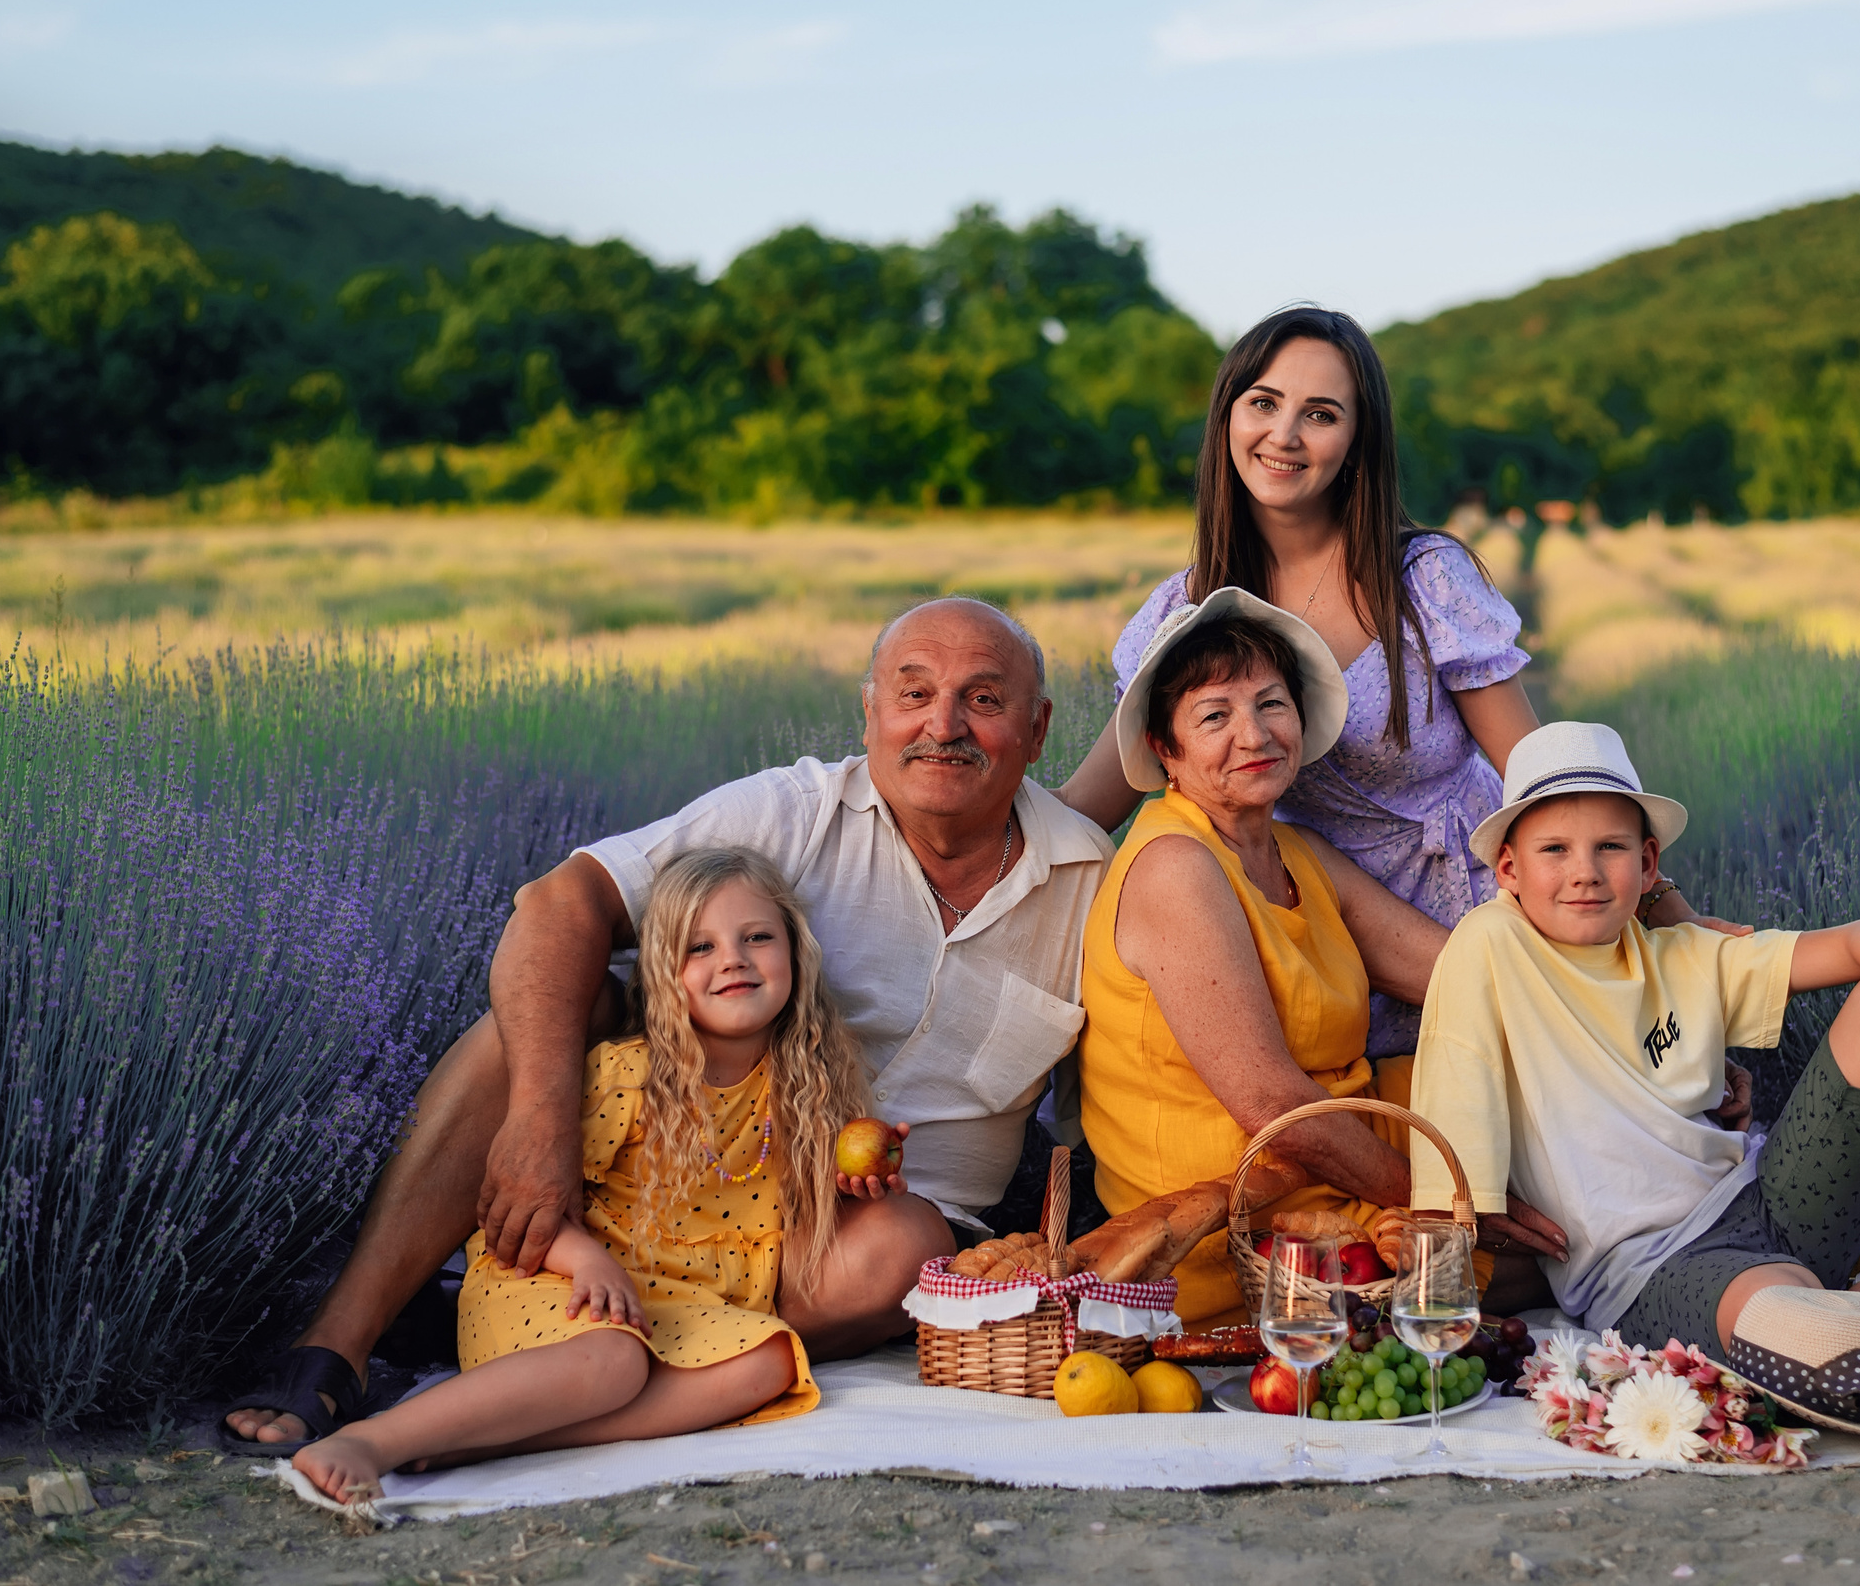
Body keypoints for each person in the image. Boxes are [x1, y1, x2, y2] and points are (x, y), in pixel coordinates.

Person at [226, 598, 1115, 1450]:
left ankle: (550, 1361)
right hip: (678, 1191)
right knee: (533, 1022)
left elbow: (1124, 1097)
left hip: (853, 1246)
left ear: (1038, 728)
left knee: (901, 1245)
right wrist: (538, 1120)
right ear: (871, 711)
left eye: (984, 700)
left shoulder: (1089, 879)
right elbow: (558, 905)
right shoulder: (794, 812)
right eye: (914, 692)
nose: (943, 724)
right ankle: (338, 1345)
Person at [1057, 304, 1725, 1066]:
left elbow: (1542, 778)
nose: (1284, 434)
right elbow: (1085, 809)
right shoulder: (1183, 615)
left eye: (1321, 414)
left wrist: (1665, 913)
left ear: (1357, 439)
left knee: (1616, 1101)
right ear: (1227, 417)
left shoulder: (1422, 580)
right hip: (1321, 940)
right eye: (1264, 402)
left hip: (1478, 915)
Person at [1407, 722, 1860, 1385]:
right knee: (1847, 1348)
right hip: (1656, 1269)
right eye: (1554, 850)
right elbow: (1455, 1099)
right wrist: (1438, 1292)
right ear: (1509, 870)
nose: (1585, 871)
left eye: (1610, 846)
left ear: (1649, 861)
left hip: (1770, 1202)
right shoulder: (1491, 946)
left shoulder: (1684, 953)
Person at [293, 846, 861, 1506]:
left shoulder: (809, 1088)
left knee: (771, 1359)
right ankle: (376, 1440)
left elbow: (800, 1201)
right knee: (614, 1360)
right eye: (699, 947)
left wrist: (857, 1182)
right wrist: (588, 1262)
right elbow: (524, 1206)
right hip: (557, 1281)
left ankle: (486, 1438)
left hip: (678, 1303)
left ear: (796, 951)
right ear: (663, 974)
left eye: (757, 937)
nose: (733, 958)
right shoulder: (631, 1075)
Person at [1076, 586, 1454, 1327]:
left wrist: (1638, 998)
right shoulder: (1176, 866)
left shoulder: (1296, 851)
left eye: (1272, 704)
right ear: (1165, 749)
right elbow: (1272, 1107)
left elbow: (1459, 975)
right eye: (1214, 716)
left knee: (1537, 1136)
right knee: (1546, 1249)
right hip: (1239, 1230)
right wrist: (1444, 1205)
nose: (1254, 735)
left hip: (1334, 1181)